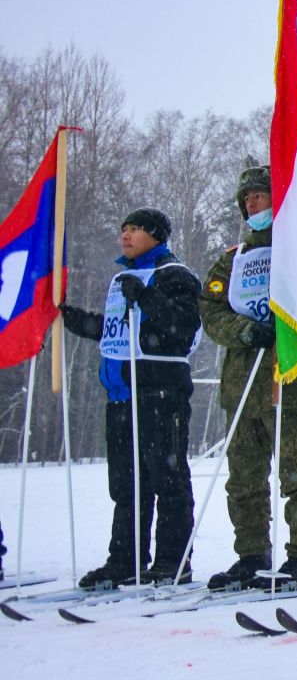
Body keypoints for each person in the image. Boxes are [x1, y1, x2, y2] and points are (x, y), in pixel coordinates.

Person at [200, 166, 297, 591]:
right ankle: (251, 555)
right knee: (244, 480)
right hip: (242, 386)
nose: (252, 203)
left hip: (292, 382)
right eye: (246, 197)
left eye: (260, 195)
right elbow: (211, 313)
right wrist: (246, 330)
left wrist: (295, 309)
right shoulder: (232, 260)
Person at [59, 209, 202, 588]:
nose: (126, 235)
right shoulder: (122, 278)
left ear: (156, 235)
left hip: (160, 392)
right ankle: (126, 559)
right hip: (121, 395)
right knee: (126, 485)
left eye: (135, 229)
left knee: (166, 477)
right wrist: (74, 319)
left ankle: (174, 561)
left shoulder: (176, 275)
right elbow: (114, 331)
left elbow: (183, 328)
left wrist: (148, 296)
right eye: (122, 228)